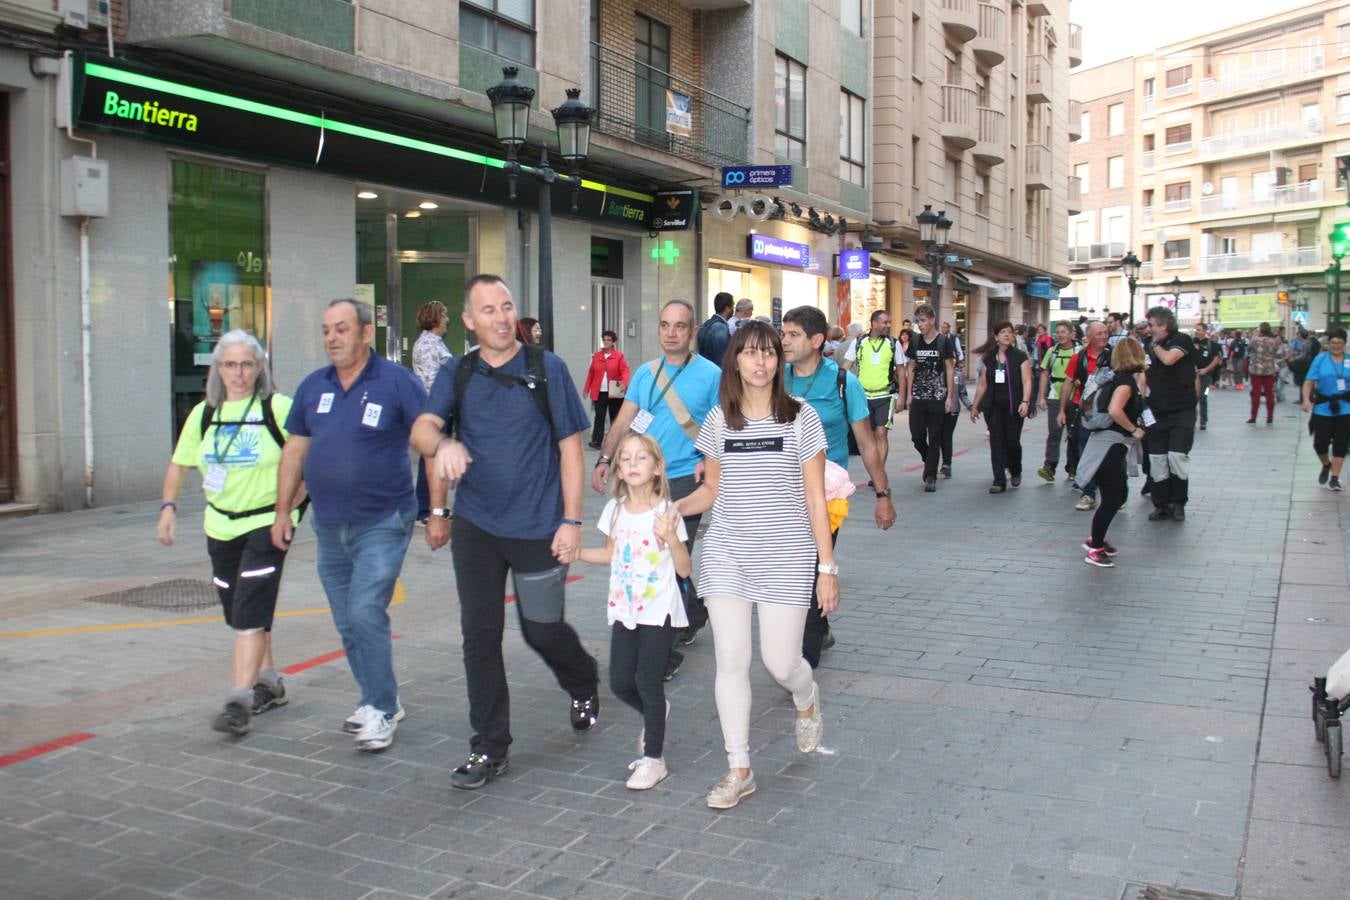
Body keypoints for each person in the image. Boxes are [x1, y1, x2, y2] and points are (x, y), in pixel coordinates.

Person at [412, 274, 600, 789]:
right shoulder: (458, 371)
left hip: (539, 525)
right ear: (469, 321)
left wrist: (572, 520)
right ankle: (489, 748)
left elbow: (569, 448)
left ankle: (582, 678)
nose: (500, 318)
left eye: (506, 306)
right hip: (477, 525)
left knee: (540, 628)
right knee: (479, 634)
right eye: (487, 310)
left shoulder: (546, 367)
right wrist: (440, 453)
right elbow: (422, 428)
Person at [675, 321, 835, 810]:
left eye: (769, 353)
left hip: (787, 554)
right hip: (726, 551)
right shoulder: (720, 420)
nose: (761, 362)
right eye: (750, 354)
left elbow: (814, 497)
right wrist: (666, 508)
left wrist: (826, 567)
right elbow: (710, 491)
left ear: (779, 360)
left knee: (781, 663)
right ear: (736, 361)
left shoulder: (801, 417)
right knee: (731, 661)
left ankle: (805, 698)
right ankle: (739, 768)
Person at [272, 299, 426, 751]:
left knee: (364, 611)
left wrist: (437, 511)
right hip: (329, 524)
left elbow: (430, 441)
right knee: (346, 620)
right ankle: (381, 698)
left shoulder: (397, 382)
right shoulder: (311, 387)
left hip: (383, 520)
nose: (331, 338)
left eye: (341, 329)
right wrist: (284, 512)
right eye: (325, 330)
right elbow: (295, 453)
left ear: (364, 333)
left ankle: (378, 708)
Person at [158, 330, 297, 736]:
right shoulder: (204, 414)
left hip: (266, 524)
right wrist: (168, 508)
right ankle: (269, 680)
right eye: (230, 364)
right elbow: (178, 464)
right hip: (219, 524)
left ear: (260, 368)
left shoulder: (279, 408)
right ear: (218, 369)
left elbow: (305, 457)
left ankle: (239, 699)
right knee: (239, 608)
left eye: (247, 364)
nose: (238, 373)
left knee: (248, 613)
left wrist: (287, 511)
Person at [592, 300, 722, 665]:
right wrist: (605, 458)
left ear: (693, 331)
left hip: (685, 480)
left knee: (663, 557)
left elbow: (721, 425)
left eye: (680, 326)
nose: (671, 333)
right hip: (646, 482)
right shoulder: (646, 374)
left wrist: (709, 464)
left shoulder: (711, 374)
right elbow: (623, 422)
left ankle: (663, 655)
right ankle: (693, 615)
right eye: (665, 325)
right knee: (661, 557)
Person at [780, 305, 896, 667]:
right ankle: (819, 624)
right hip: (783, 492)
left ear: (816, 341)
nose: (784, 341)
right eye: (783, 333)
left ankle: (804, 663)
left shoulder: (843, 382)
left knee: (814, 567)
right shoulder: (773, 378)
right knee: (793, 572)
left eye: (792, 334)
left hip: (827, 495)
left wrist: (883, 496)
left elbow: (866, 443)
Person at [578, 432, 690, 790]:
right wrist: (576, 553)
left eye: (641, 458)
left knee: (646, 681)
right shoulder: (614, 510)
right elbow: (609, 554)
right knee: (619, 682)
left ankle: (654, 760)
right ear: (619, 472)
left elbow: (685, 569)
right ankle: (655, 714)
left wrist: (671, 538)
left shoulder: (667, 512)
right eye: (625, 459)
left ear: (657, 468)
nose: (632, 464)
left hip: (659, 611)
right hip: (626, 608)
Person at [1076, 338, 1147, 567]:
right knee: (1112, 498)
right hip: (1109, 446)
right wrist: (1134, 429)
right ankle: (1095, 547)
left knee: (1115, 497)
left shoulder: (1120, 379)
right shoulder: (1125, 383)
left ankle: (1096, 540)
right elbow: (1115, 410)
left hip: (1108, 445)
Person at [1143, 305, 1198, 522]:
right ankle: (1161, 504)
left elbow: (1169, 359)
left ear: (1164, 326)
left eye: (1151, 325)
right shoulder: (1151, 346)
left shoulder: (1181, 340)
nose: (1148, 329)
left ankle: (1179, 503)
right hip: (1157, 411)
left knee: (1177, 457)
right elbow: (1145, 373)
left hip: (1182, 410)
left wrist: (1154, 345)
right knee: (1157, 459)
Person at [970, 321, 1033, 492]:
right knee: (996, 442)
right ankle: (998, 480)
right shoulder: (989, 358)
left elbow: (1027, 380)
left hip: (1014, 406)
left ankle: (1015, 469)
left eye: (1010, 332)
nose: (1007, 334)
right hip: (993, 407)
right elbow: (983, 384)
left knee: (1012, 442)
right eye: (1003, 332)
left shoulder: (1020, 356)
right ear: (996, 337)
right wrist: (975, 405)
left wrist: (1026, 401)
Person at [845, 310, 906, 478]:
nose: (888, 325)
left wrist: (902, 397)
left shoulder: (894, 344)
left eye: (889, 322)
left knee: (881, 433)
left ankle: (878, 474)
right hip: (863, 397)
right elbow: (845, 367)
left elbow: (901, 371)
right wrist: (842, 389)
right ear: (874, 323)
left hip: (886, 396)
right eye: (884, 322)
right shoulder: (858, 342)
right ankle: (875, 470)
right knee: (869, 437)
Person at [1059, 322, 1112, 511]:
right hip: (1086, 413)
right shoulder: (1079, 358)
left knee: (1111, 453)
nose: (1104, 336)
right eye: (1099, 333)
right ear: (1088, 337)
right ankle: (1088, 493)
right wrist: (1062, 410)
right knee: (1085, 452)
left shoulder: (1114, 356)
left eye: (1106, 332)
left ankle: (1116, 493)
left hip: (1110, 412)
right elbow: (1068, 383)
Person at [905, 303, 956, 492]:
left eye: (923, 320)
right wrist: (909, 394)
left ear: (932, 320)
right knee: (917, 436)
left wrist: (950, 397)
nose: (920, 324)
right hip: (918, 397)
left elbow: (950, 369)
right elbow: (911, 367)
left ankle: (930, 476)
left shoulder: (944, 342)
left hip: (937, 397)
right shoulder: (916, 341)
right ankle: (930, 461)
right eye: (918, 321)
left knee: (935, 437)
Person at [411, 301, 454, 522]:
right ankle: (425, 508)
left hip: (437, 409)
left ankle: (429, 506)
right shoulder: (428, 345)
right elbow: (432, 382)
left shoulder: (433, 343)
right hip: (435, 410)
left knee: (432, 457)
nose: (448, 319)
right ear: (436, 318)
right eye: (445, 314)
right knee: (431, 457)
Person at [1302, 327, 1350, 492]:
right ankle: (1326, 464)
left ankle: (1335, 478)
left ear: (1344, 343)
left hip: (1345, 407)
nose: (1336, 345)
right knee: (1320, 443)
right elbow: (1309, 381)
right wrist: (1307, 399)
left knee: (1341, 444)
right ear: (1328, 343)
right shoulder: (1320, 359)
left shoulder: (1349, 360)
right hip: (1323, 407)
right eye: (1333, 342)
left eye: (1339, 342)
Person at [1036, 321, 1080, 481]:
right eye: (1058, 332)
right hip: (1054, 397)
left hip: (1074, 398)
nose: (1060, 335)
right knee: (1054, 433)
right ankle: (1049, 467)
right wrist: (1041, 396)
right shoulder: (1051, 352)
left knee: (1073, 435)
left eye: (1063, 332)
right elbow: (1044, 374)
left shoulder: (1079, 352)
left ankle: (1072, 468)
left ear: (1071, 334)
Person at [582, 329, 631, 449]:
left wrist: (624, 383)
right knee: (599, 416)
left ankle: (616, 441)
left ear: (613, 342)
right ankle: (596, 441)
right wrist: (586, 388)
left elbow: (625, 371)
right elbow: (591, 373)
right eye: (604, 340)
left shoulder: (619, 356)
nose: (606, 342)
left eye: (609, 340)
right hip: (600, 391)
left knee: (615, 416)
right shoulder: (597, 356)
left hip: (614, 391)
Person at [1246, 321, 1281, 425]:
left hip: (1256, 370)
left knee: (1256, 393)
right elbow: (1276, 351)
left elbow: (1249, 349)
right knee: (1269, 393)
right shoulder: (1273, 341)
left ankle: (1253, 417)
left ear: (1260, 330)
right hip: (1269, 370)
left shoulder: (1255, 340)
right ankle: (1270, 417)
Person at [1191, 325, 1222, 431]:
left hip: (1206, 376)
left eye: (1199, 330)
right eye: (1196, 330)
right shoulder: (1190, 343)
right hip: (1192, 375)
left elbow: (1216, 359)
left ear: (1205, 331)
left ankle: (1203, 420)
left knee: (1204, 397)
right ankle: (1192, 419)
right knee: (1192, 398)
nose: (1197, 332)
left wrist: (1206, 369)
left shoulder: (1212, 345)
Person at [697, 292, 735, 369]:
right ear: (727, 309)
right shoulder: (721, 328)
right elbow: (722, 359)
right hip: (716, 375)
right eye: (733, 306)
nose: (733, 309)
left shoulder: (705, 324)